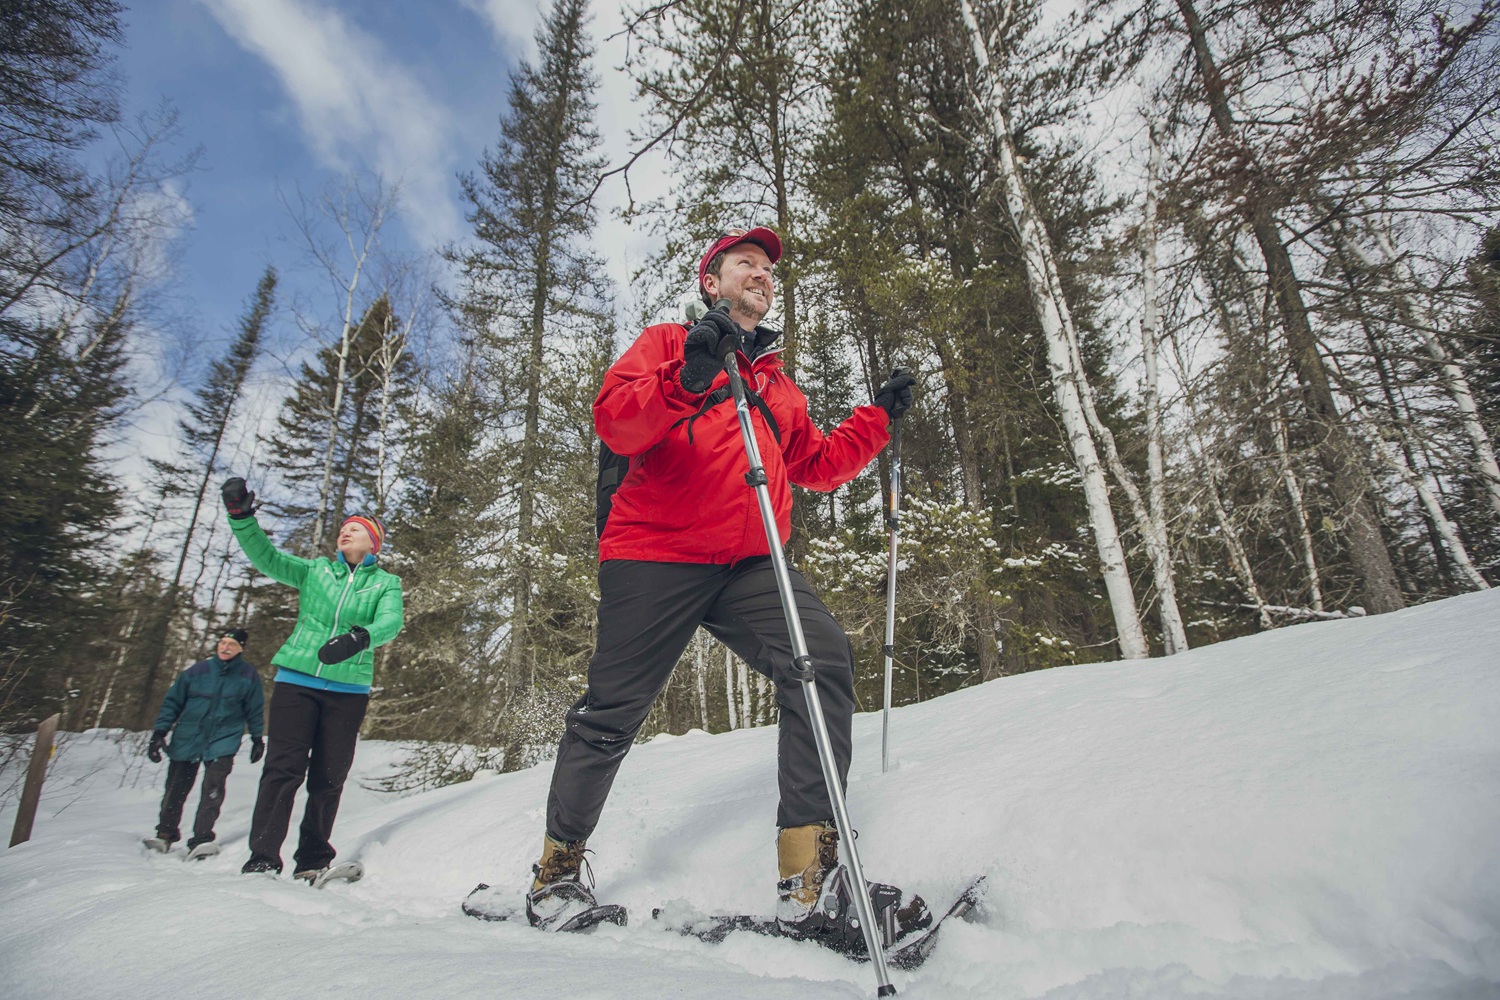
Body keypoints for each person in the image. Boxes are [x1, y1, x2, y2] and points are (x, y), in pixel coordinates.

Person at [513, 226, 918, 936]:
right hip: (653, 552)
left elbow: (817, 464)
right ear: (712, 282)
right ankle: (556, 872)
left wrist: (878, 418)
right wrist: (688, 376)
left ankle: (808, 874)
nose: (760, 275)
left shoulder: (776, 382)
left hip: (748, 560)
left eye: (767, 269)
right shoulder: (670, 344)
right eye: (745, 265)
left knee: (820, 659)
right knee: (612, 711)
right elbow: (616, 422)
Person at [220, 484, 405, 881]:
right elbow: (265, 557)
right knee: (282, 770)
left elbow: (391, 622)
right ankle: (264, 857)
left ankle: (313, 859)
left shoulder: (385, 583)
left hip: (348, 691)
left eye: (354, 529)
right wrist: (241, 518)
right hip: (297, 682)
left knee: (329, 777)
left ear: (373, 544)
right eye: (343, 528)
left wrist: (360, 638)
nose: (345, 532)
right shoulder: (315, 571)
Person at [142, 627, 265, 860]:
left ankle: (201, 838)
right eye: (222, 642)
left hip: (223, 739)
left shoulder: (247, 675)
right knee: (176, 788)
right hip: (188, 737)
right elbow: (172, 703)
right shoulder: (197, 672)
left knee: (213, 788)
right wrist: (159, 732)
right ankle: (165, 833)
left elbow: (255, 709)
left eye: (231, 644)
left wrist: (258, 738)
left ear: (241, 648)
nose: (225, 647)